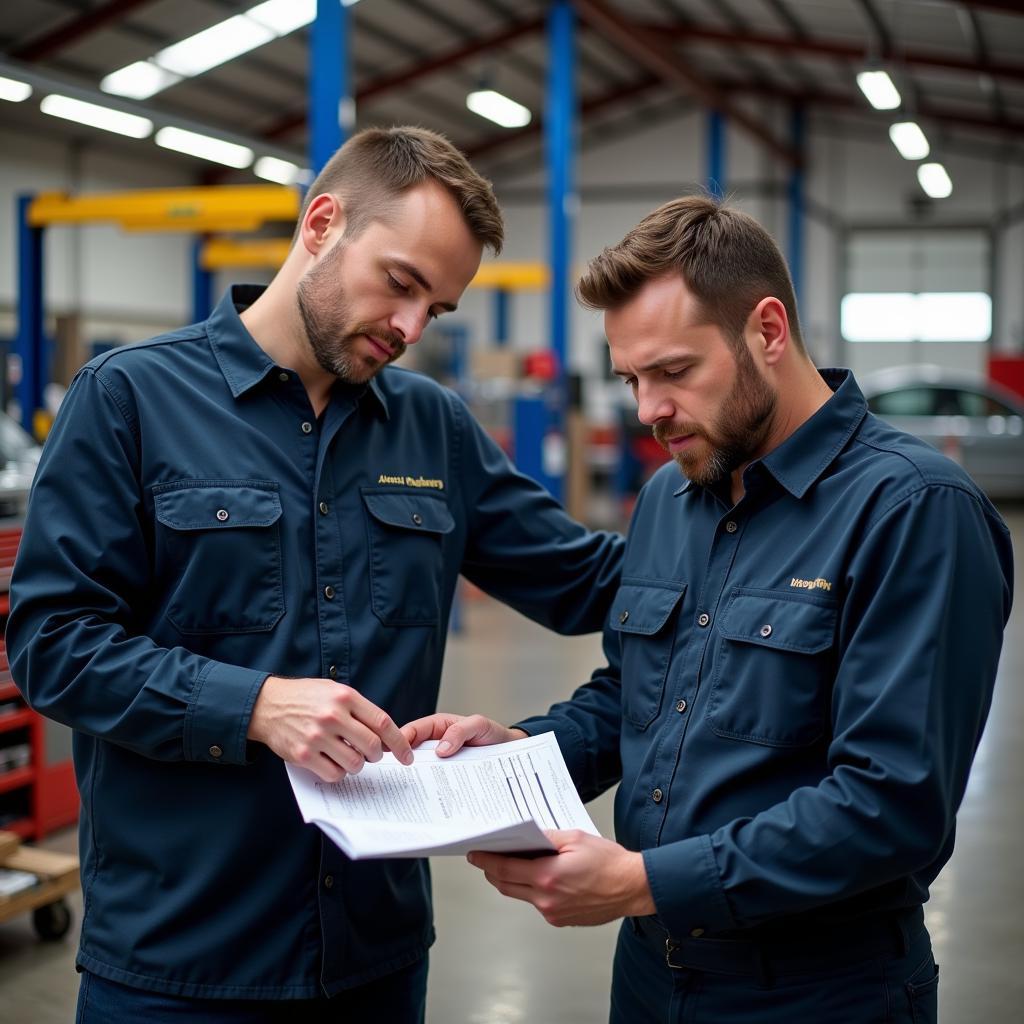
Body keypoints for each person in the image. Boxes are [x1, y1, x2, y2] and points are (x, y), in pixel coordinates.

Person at [6, 126, 623, 1023]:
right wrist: (253, 704)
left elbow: (588, 581)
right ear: (323, 222)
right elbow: (52, 644)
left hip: (373, 962)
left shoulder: (433, 429)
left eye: (436, 311)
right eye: (402, 284)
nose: (411, 329)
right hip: (180, 967)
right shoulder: (130, 399)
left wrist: (765, 523)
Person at [402, 195, 1014, 1023]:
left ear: (767, 330)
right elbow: (634, 696)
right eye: (630, 378)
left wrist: (645, 881)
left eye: (674, 372)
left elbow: (893, 802)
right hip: (654, 975)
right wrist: (518, 757)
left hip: (818, 990)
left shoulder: (912, 511)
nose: (648, 409)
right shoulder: (671, 495)